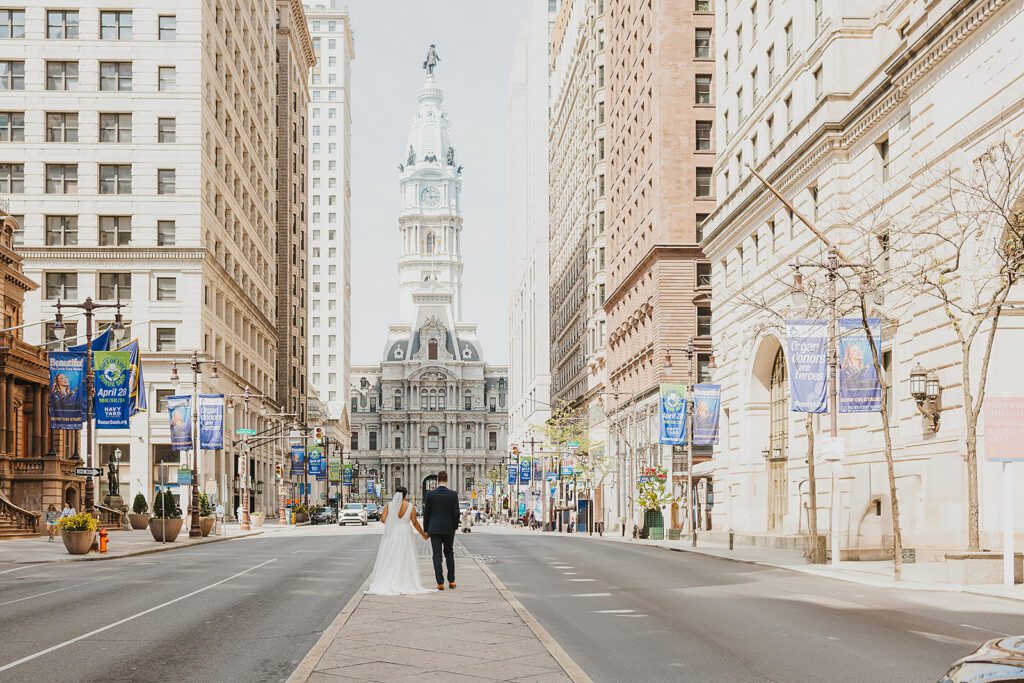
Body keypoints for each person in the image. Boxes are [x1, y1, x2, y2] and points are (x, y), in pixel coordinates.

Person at [365, 487, 431, 596]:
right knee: (405, 556)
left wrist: (392, 523)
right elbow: (414, 522)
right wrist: (424, 535)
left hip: (393, 532)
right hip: (405, 532)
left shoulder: (389, 506)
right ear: (405, 495)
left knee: (391, 555)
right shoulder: (410, 507)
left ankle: (389, 579)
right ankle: (404, 580)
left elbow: (382, 519)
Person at [423, 470, 460, 590]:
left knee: (436, 555)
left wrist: (426, 530)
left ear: (437, 480)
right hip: (449, 529)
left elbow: (426, 514)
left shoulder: (430, 495)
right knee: (449, 553)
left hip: (434, 529)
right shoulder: (453, 494)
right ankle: (452, 581)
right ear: (447, 480)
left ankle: (440, 583)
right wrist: (454, 527)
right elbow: (456, 513)